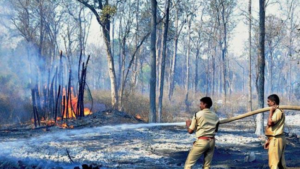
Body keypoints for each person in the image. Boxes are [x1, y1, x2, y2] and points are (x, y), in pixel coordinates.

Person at [184, 97, 219, 169]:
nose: (199, 105)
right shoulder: (216, 116)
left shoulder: (198, 114)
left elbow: (190, 131)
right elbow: (215, 130)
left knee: (188, 165)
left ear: (205, 104)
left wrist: (188, 125)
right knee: (207, 166)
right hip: (212, 142)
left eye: (201, 104)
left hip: (202, 141)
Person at [264, 94, 287, 169]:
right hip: (274, 139)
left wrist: (270, 111)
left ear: (273, 102)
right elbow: (273, 128)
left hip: (276, 139)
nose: (267, 103)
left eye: (269, 101)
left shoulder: (277, 111)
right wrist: (269, 139)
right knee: (280, 164)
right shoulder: (276, 111)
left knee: (273, 164)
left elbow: (270, 123)